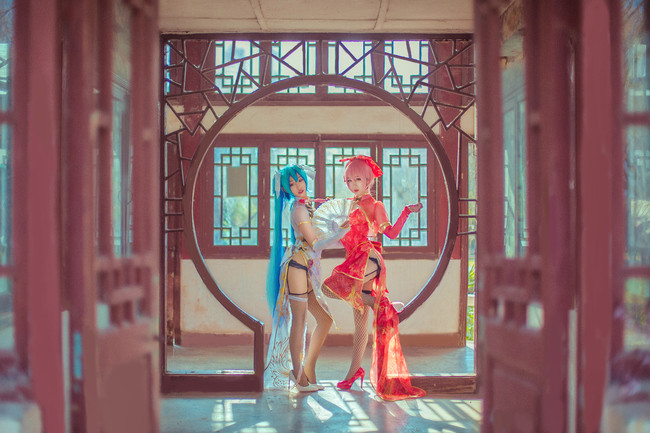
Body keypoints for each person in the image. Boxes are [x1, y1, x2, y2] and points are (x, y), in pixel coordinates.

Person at [321, 155, 426, 401]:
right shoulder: (347, 205)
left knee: (328, 288)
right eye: (349, 180)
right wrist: (329, 211)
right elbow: (338, 233)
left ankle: (382, 304)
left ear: (368, 180)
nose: (353, 184)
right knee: (360, 322)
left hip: (368, 258)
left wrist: (405, 212)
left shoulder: (376, 205)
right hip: (354, 259)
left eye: (358, 179)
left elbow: (391, 233)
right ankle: (353, 372)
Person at [264, 164, 333, 392]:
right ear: (286, 189)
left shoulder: (307, 205)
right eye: (291, 184)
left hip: (307, 267)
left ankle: (307, 369)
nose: (298, 186)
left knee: (324, 319)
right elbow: (316, 243)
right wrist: (342, 234)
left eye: (300, 180)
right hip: (297, 267)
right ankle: (299, 375)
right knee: (299, 320)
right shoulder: (299, 210)